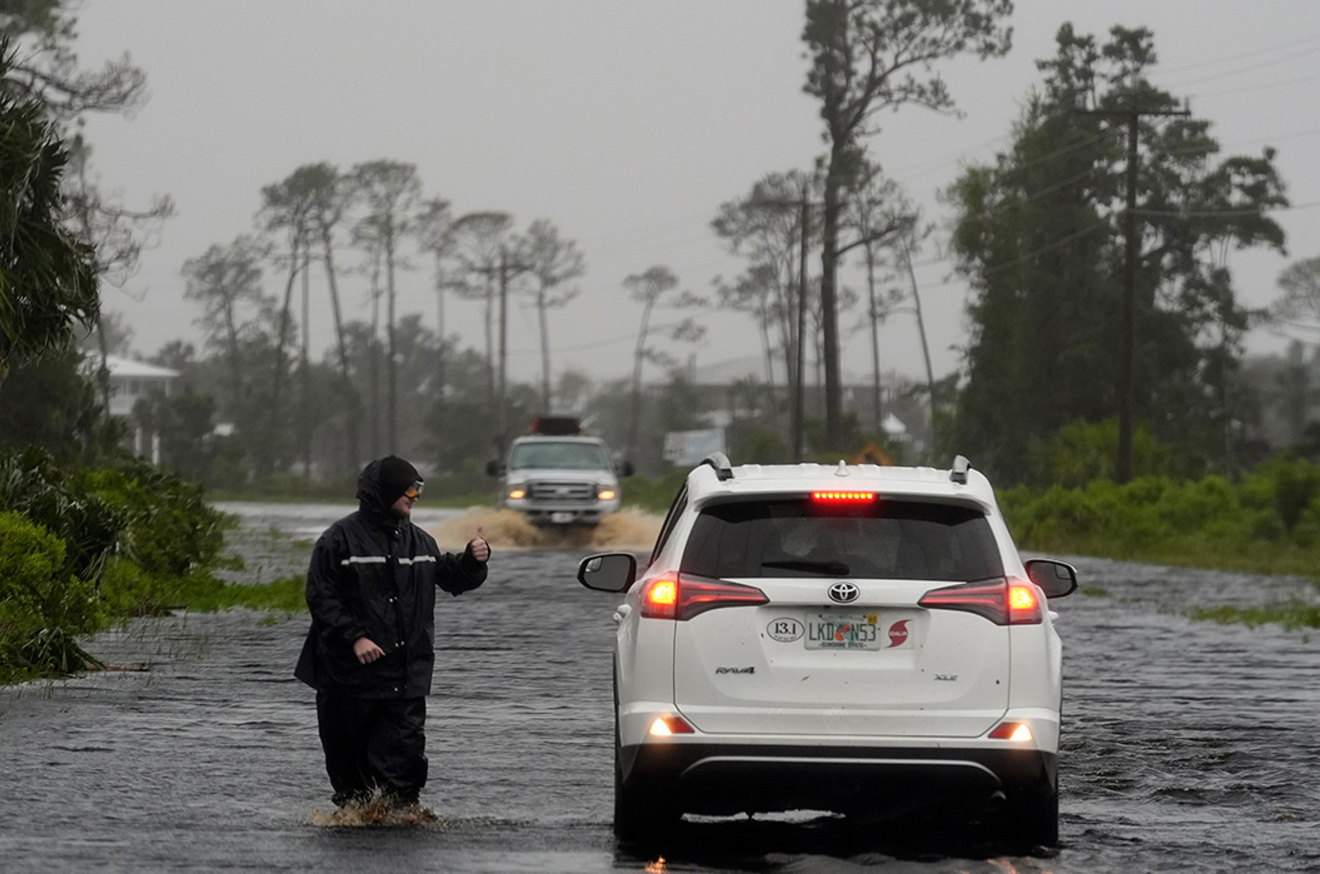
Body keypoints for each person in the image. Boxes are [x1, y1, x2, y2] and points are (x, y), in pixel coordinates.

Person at [294, 455, 490, 809]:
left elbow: (452, 578)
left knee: (402, 774)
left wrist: (472, 562)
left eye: (419, 490)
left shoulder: (421, 543)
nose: (415, 496)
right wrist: (355, 637)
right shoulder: (338, 541)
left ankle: (400, 821)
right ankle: (358, 827)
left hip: (405, 677)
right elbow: (320, 596)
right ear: (384, 492)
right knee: (352, 782)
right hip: (348, 680)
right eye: (410, 489)